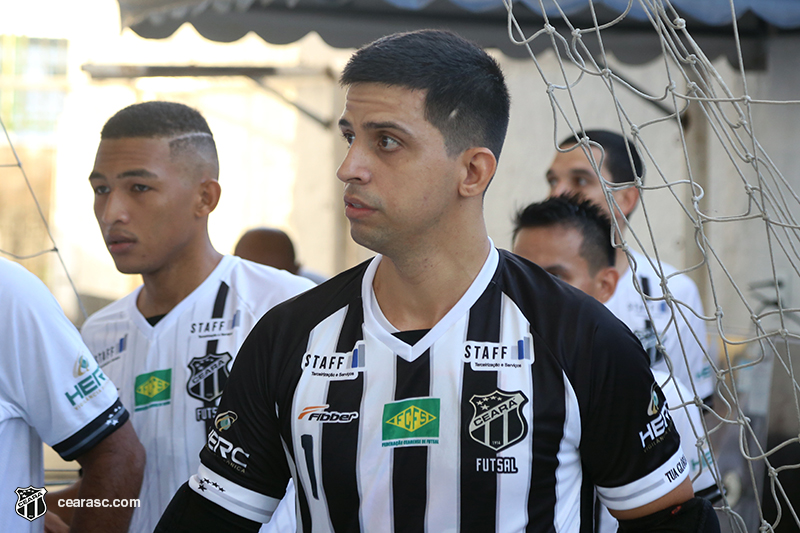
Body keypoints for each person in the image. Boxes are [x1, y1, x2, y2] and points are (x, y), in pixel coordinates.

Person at [156, 30, 719, 532]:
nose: (349, 165)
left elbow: (669, 518)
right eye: (350, 135)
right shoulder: (289, 336)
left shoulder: (582, 339)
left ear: (472, 172)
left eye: (386, 141)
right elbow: (212, 513)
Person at [79, 101, 315, 533]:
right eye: (101, 190)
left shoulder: (286, 308)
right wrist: (28, 512)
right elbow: (99, 489)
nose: (112, 212)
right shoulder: (96, 333)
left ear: (205, 197)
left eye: (139, 188)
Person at [512, 195, 720, 532]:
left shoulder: (664, 394)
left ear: (606, 284)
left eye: (553, 279)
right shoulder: (478, 379)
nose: (530, 295)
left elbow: (696, 513)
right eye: (520, 278)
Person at [545, 129, 715, 404]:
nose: (557, 192)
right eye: (553, 180)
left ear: (625, 199)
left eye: (579, 180)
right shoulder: (524, 282)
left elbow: (696, 406)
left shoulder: (673, 291)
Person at [0, 257, 145, 533]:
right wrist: (33, 514)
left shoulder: (9, 292)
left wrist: (25, 518)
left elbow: (119, 456)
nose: (113, 215)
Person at [234, 227, 327, 284]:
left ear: (296, 271)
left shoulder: (323, 297)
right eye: (251, 276)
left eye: (275, 275)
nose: (263, 286)